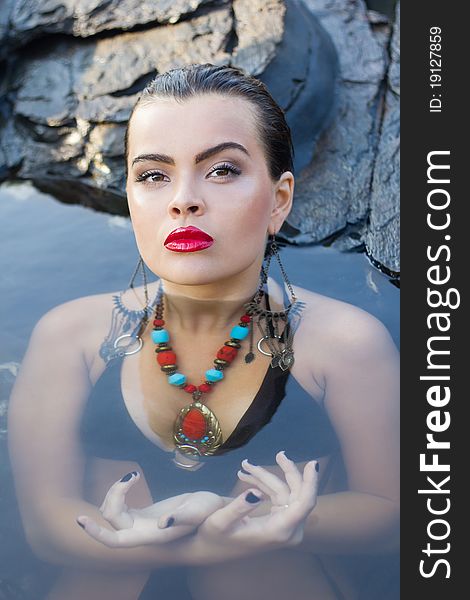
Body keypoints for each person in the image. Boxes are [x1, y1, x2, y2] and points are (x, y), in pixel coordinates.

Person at [8, 63, 399, 600]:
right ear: (128, 196)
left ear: (279, 199)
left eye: (222, 170)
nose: (183, 200)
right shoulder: (70, 335)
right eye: (153, 175)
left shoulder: (346, 344)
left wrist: (232, 521)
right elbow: (44, 524)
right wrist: (211, 541)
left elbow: (394, 516)